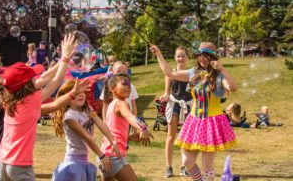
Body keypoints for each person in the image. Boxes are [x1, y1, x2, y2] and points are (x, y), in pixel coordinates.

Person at [150, 42, 237, 181]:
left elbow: (232, 87)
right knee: (187, 162)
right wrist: (158, 54)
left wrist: (222, 69)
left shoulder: (218, 76)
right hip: (194, 120)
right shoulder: (193, 73)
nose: (202, 58)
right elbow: (169, 72)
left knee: (207, 166)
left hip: (211, 122)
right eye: (200, 55)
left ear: (213, 58)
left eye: (206, 56)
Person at [0, 34, 76, 180]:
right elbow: (57, 80)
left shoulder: (10, 98)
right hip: (19, 165)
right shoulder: (31, 101)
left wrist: (65, 58)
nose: (36, 77)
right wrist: (64, 58)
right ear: (27, 84)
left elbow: (45, 78)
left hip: (3, 162)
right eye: (33, 76)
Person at [51, 79, 121, 181]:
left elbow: (102, 124)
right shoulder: (69, 117)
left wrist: (113, 141)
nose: (80, 95)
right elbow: (86, 137)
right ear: (67, 98)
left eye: (82, 92)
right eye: (76, 93)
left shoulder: (88, 110)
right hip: (73, 161)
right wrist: (101, 156)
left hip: (84, 159)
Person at [100, 73, 154, 181]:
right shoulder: (121, 104)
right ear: (112, 88)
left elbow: (113, 131)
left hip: (105, 155)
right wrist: (142, 127)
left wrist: (129, 138)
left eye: (129, 84)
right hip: (115, 156)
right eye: (124, 84)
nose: (128, 87)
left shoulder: (112, 104)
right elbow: (130, 117)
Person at [159, 47, 192, 178]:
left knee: (185, 138)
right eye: (178, 56)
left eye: (183, 56)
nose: (181, 58)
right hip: (175, 105)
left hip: (188, 106)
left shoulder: (192, 73)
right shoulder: (170, 73)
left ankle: (184, 167)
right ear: (174, 57)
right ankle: (168, 167)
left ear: (187, 58)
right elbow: (167, 91)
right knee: (171, 136)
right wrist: (165, 95)